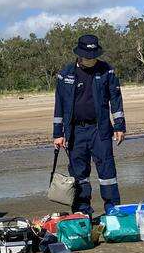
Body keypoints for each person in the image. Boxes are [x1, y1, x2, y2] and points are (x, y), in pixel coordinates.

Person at [53, 34, 125, 216]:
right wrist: (58, 133)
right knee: (79, 173)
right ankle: (82, 211)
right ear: (79, 55)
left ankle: (112, 208)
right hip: (75, 132)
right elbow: (59, 105)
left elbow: (115, 99)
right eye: (88, 57)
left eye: (94, 57)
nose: (91, 60)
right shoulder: (65, 75)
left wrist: (119, 126)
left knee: (107, 169)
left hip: (100, 129)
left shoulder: (107, 71)